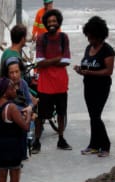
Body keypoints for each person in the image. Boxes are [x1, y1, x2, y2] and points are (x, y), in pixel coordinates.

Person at [74, 16, 114, 157]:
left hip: (101, 87)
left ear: (99, 36)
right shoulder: (88, 48)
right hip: (88, 87)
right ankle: (94, 145)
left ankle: (105, 145)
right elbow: (86, 66)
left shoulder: (107, 51)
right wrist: (80, 70)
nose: (90, 40)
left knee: (96, 116)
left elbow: (108, 71)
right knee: (92, 116)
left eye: (92, 37)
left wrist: (90, 72)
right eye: (88, 37)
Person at [32, 8, 71, 152]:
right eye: (49, 22)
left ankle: (61, 139)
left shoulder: (63, 37)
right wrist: (57, 59)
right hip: (45, 85)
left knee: (61, 113)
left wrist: (48, 61)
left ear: (58, 22)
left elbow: (67, 60)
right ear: (45, 24)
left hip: (61, 84)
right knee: (40, 116)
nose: (52, 24)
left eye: (54, 21)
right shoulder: (42, 38)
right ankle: (36, 141)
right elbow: (40, 62)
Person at [0, 77, 31, 182]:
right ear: (5, 91)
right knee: (14, 172)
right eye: (12, 88)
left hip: (1, 143)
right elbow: (25, 127)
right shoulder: (11, 107)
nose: (15, 89)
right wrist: (28, 114)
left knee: (2, 172)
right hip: (13, 143)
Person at [5, 56, 37, 182]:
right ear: (7, 74)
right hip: (11, 129)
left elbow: (30, 102)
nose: (15, 75)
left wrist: (29, 109)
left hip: (23, 127)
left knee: (18, 162)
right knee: (8, 163)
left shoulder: (23, 84)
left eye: (17, 72)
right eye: (11, 73)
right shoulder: (5, 87)